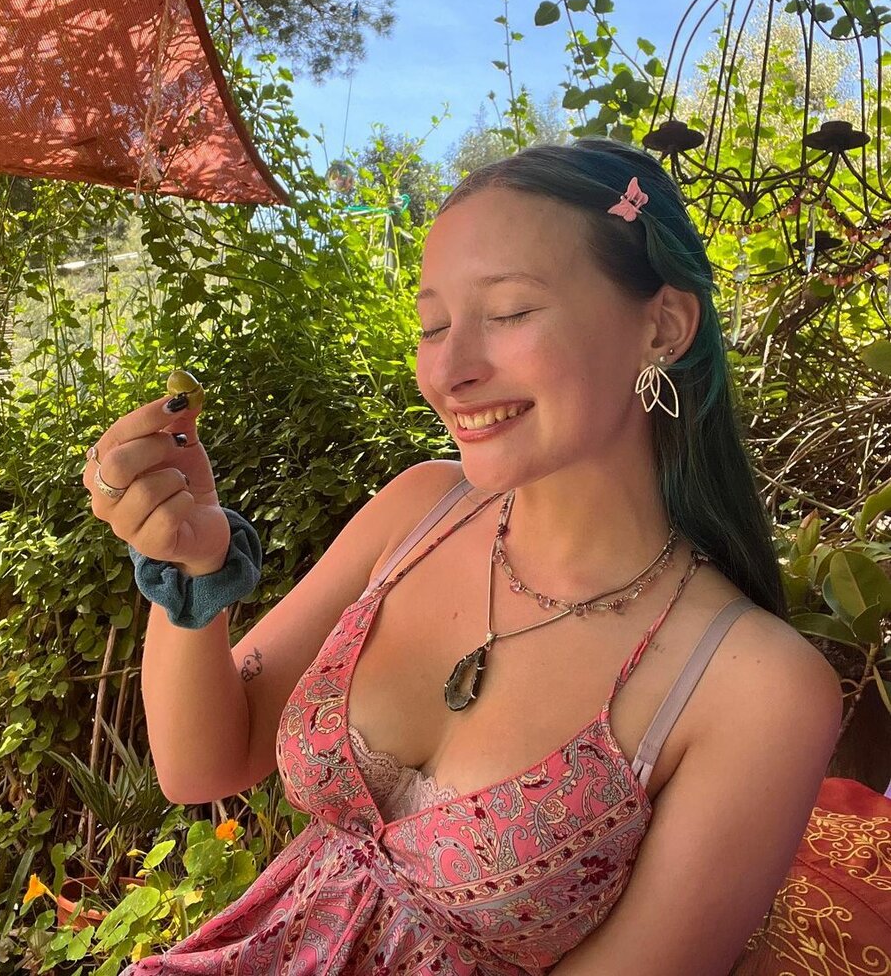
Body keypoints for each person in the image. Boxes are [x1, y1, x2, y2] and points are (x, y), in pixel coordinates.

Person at [84, 139, 843, 975]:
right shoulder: (421, 510)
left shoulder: (755, 688)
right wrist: (194, 569)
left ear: (662, 325)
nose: (447, 370)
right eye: (433, 326)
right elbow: (202, 765)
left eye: (509, 312)